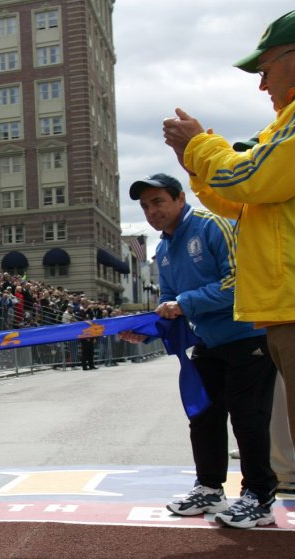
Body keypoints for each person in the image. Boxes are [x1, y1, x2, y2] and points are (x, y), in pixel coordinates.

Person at [161, 10, 295, 559]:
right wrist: (197, 160)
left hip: (271, 316)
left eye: (266, 68)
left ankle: (257, 492)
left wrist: (199, 147)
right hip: (275, 314)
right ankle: (222, 486)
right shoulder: (280, 127)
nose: (261, 83)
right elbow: (242, 195)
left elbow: (250, 178)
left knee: (251, 421)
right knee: (216, 418)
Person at [121, 173, 277, 529]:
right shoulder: (162, 250)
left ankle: (259, 496)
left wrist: (183, 303)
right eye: (145, 206)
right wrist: (146, 332)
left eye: (158, 201)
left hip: (248, 335)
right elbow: (167, 302)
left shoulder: (213, 225)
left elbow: (239, 282)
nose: (151, 211)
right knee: (203, 415)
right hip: (207, 342)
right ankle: (209, 488)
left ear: (180, 199)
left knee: (247, 416)